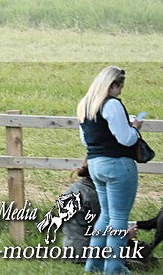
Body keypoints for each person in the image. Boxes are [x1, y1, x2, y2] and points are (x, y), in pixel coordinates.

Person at [77, 66, 143, 274]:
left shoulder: (85, 105)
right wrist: (135, 127)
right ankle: (114, 268)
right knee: (119, 218)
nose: (120, 92)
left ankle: (93, 265)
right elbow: (126, 139)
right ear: (111, 85)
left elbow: (84, 138)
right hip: (117, 164)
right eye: (119, 87)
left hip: (96, 164)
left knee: (105, 216)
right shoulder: (112, 105)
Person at [61, 161, 101, 261]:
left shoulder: (74, 188)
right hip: (86, 251)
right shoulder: (92, 195)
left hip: (69, 248)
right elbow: (102, 229)